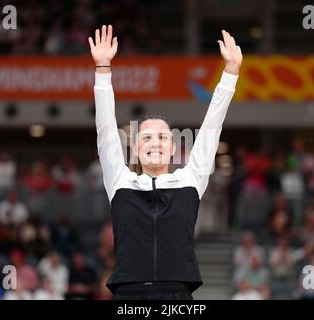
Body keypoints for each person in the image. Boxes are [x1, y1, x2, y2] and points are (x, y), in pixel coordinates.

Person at [88, 25, 242, 299]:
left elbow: (212, 126)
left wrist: (230, 72)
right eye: (146, 138)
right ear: (135, 149)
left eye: (162, 137)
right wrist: (102, 68)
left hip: (177, 295)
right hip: (128, 296)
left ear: (173, 148)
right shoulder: (120, 181)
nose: (155, 143)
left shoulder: (191, 179)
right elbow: (105, 128)